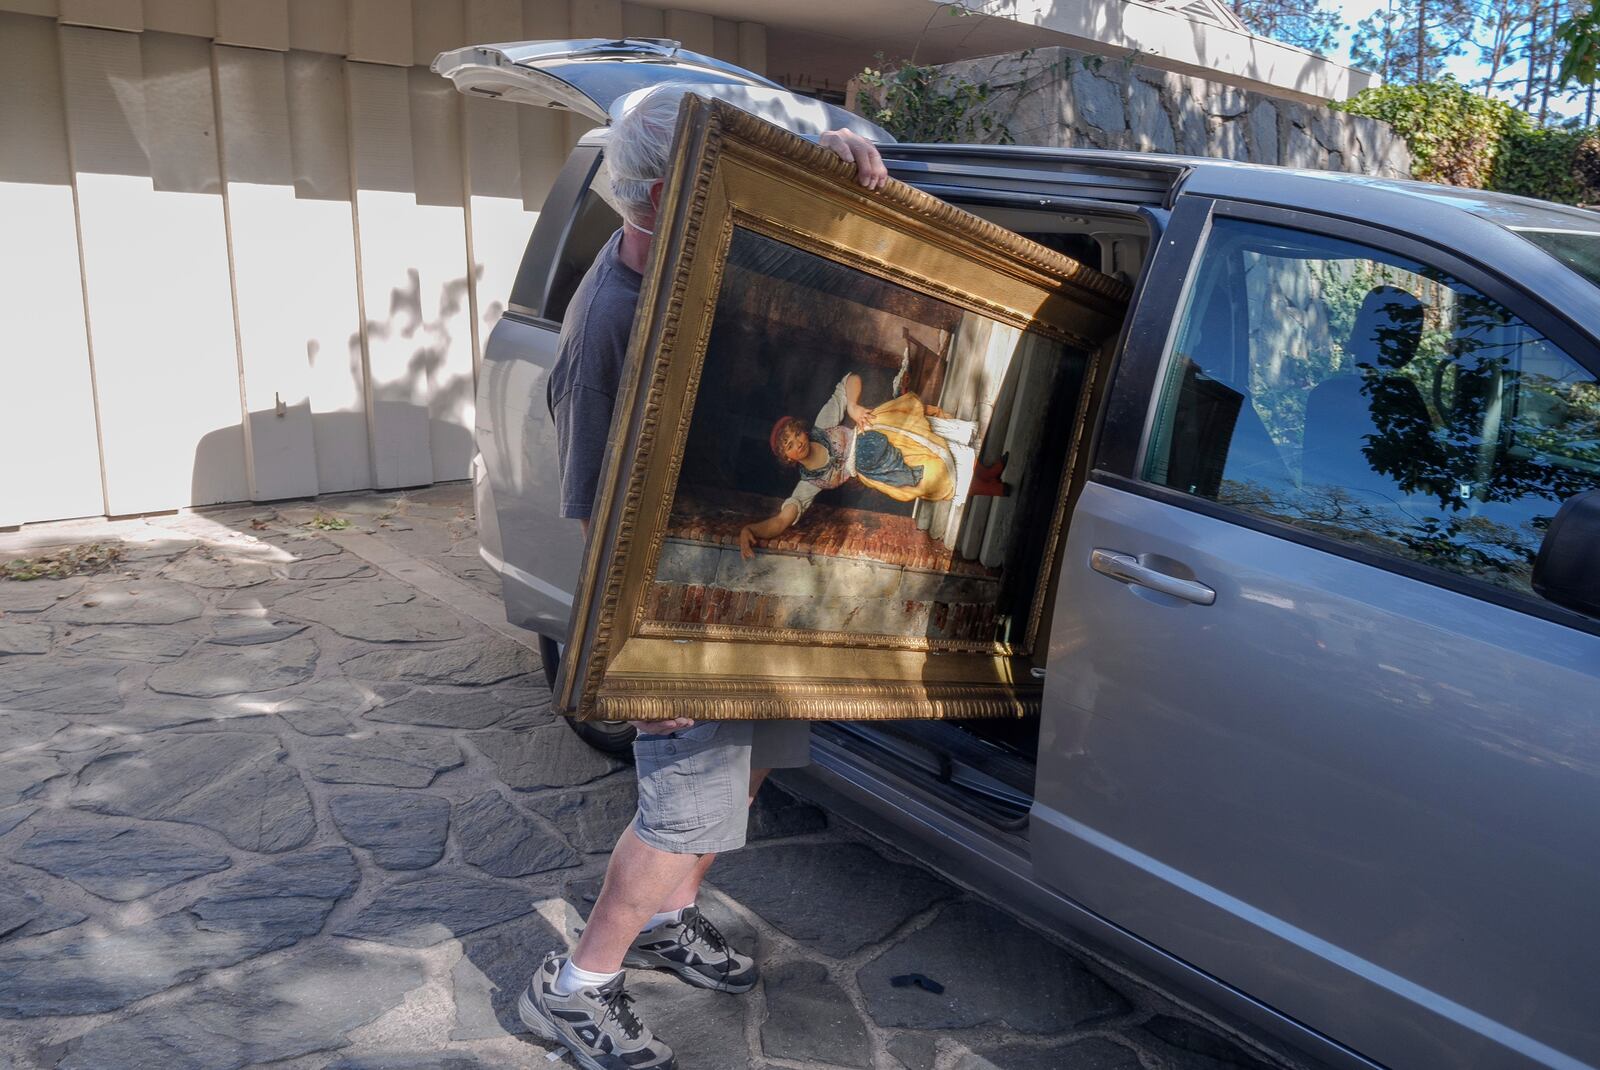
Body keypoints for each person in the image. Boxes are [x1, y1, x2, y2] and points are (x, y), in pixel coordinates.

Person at [521, 85, 888, 1070]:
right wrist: (648, 660)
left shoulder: (698, 240)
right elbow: (599, 513)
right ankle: (577, 984)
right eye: (718, 176)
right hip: (669, 594)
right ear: (659, 197)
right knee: (681, 801)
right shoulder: (607, 325)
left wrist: (835, 145)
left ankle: (672, 914)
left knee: (753, 762)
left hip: (753, 568)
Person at [739, 372, 1009, 560]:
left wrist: (853, 407)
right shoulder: (809, 483)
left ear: (802, 431)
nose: (797, 442)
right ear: (787, 458)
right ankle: (990, 488)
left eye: (796, 434)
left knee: (937, 440)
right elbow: (782, 520)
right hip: (880, 469)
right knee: (934, 476)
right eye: (788, 445)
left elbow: (849, 380)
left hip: (880, 429)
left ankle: (987, 472)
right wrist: (750, 530)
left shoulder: (822, 425)